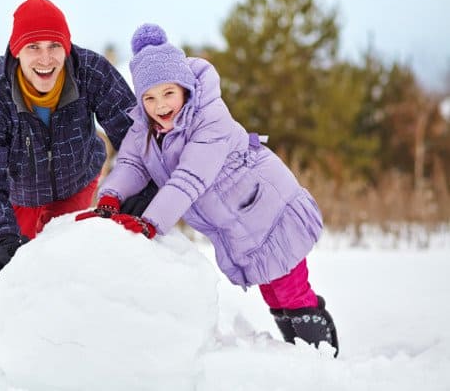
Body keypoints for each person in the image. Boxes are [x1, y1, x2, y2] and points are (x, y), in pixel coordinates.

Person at [75, 23, 339, 357]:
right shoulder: (145, 127)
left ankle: (321, 359)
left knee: (290, 289)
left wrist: (150, 222)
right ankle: (301, 357)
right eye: (150, 98)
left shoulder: (210, 118)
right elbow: (132, 164)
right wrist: (111, 195)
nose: (160, 105)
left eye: (168, 93)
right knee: (273, 293)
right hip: (239, 221)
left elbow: (188, 179)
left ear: (184, 89)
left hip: (269, 210)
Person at [0, 0, 152, 345]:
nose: (45, 58)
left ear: (67, 47)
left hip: (76, 182)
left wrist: (142, 186)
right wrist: (2, 234)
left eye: (54, 46)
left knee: (65, 264)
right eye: (33, 47)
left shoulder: (90, 72)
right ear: (16, 51)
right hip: (16, 194)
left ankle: (56, 344)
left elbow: (133, 133)